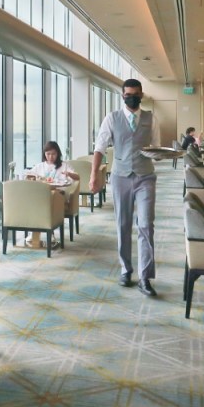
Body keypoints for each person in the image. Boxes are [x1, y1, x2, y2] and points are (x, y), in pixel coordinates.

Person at [87, 79, 162, 297]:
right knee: (123, 224)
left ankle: (145, 277)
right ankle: (125, 269)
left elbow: (156, 148)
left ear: (141, 95)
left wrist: (158, 155)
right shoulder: (112, 118)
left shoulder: (151, 118)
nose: (132, 97)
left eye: (136, 94)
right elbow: (99, 148)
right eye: (128, 94)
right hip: (120, 177)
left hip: (145, 176)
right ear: (123, 96)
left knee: (146, 224)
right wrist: (94, 175)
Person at [23, 141, 80, 248]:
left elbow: (77, 177)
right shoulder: (40, 166)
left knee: (44, 202)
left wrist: (69, 174)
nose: (50, 157)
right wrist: (30, 176)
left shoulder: (64, 166)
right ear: (44, 154)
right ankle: (38, 232)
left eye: (53, 154)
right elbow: (28, 176)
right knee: (39, 202)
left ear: (58, 154)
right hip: (42, 196)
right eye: (48, 154)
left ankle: (43, 233)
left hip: (59, 195)